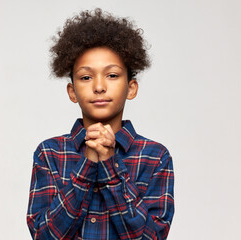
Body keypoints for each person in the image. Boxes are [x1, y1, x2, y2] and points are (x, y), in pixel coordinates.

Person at [27, 8, 175, 240]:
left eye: (112, 75)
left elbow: (151, 237)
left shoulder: (155, 157)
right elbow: (44, 235)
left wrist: (109, 164)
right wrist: (87, 164)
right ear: (72, 91)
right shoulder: (50, 154)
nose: (99, 87)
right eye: (86, 77)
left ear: (131, 88)